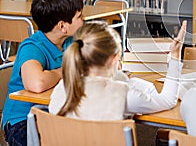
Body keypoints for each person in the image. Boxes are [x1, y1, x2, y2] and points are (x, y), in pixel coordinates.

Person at [49, 20, 187, 119]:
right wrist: (175, 55)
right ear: (114, 59)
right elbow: (168, 100)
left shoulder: (62, 88)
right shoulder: (124, 95)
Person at [2, 0, 84, 146]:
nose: (84, 20)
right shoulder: (32, 47)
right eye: (79, 17)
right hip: (23, 121)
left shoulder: (69, 41)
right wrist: (65, 71)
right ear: (62, 26)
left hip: (54, 112)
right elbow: (37, 84)